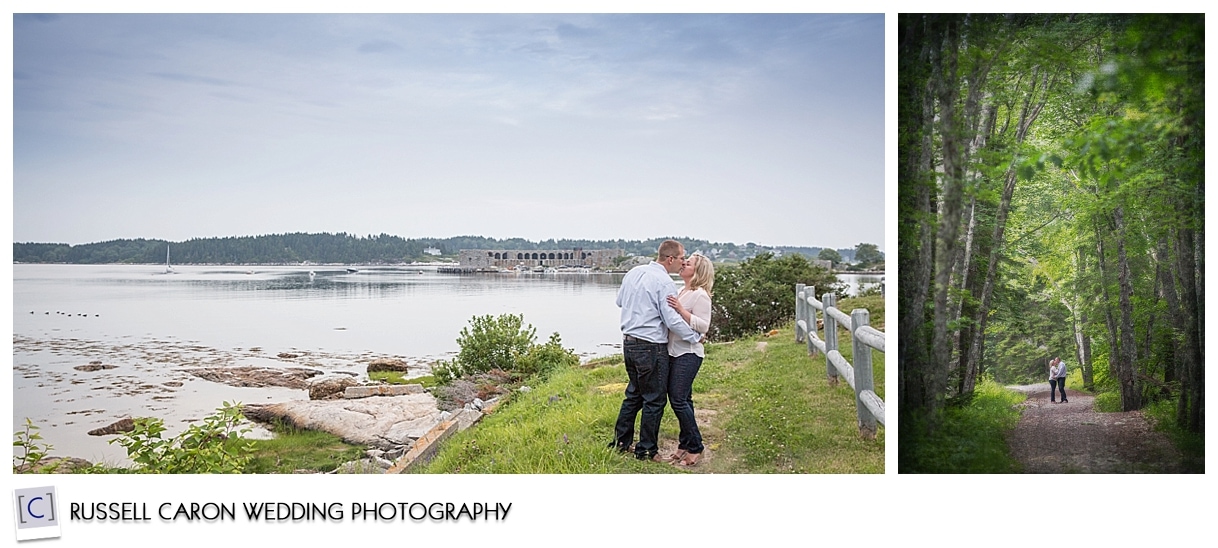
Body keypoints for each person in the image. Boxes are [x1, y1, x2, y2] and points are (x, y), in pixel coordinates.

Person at [611, 240, 702, 461]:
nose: (683, 263)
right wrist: (694, 336)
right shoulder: (664, 282)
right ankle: (647, 450)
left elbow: (619, 301)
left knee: (633, 394)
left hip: (629, 342)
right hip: (650, 346)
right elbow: (671, 319)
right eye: (682, 258)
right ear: (670, 259)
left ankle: (620, 443)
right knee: (654, 399)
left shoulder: (634, 272)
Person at [664, 252, 714, 467]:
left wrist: (681, 310)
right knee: (684, 399)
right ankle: (684, 444)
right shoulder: (682, 290)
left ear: (698, 270)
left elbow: (703, 326)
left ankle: (696, 446)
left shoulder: (700, 295)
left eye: (688, 263)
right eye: (683, 262)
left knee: (677, 399)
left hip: (689, 353)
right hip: (674, 351)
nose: (683, 265)